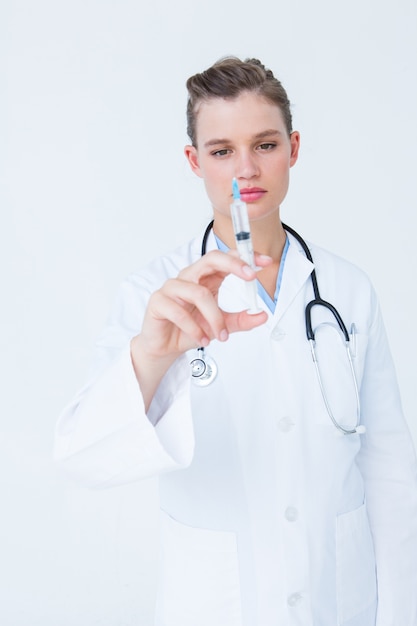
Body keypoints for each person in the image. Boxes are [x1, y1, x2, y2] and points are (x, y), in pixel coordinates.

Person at [55, 57, 417, 626]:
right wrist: (153, 356)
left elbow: (390, 468)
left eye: (265, 144)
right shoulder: (156, 294)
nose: (245, 169)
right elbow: (80, 457)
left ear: (293, 149)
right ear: (194, 161)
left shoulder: (347, 289)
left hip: (339, 600)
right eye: (222, 151)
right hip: (216, 603)